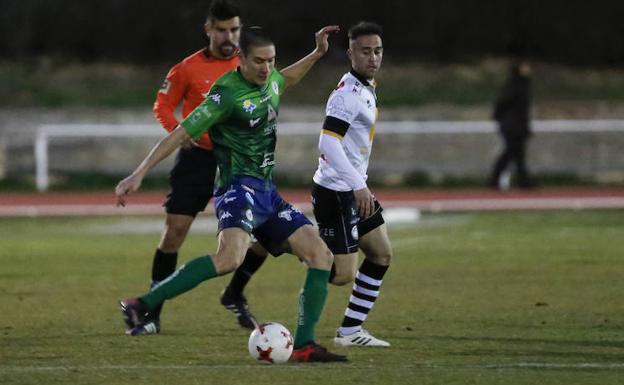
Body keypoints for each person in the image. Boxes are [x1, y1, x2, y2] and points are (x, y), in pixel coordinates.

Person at [116, 25, 348, 362]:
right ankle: (143, 303)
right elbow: (181, 133)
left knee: (321, 257)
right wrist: (138, 174)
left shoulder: (269, 80)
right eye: (259, 61)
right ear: (241, 58)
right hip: (237, 189)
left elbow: (287, 79)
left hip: (267, 191)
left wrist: (316, 54)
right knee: (229, 259)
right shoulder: (225, 95)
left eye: (271, 60)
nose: (266, 68)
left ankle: (304, 345)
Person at [143, 0, 267, 336]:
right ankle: (151, 309)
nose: (229, 36)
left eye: (235, 29)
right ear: (208, 29)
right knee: (175, 230)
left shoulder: (252, 64)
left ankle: (235, 292)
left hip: (240, 161)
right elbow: (163, 104)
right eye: (222, 29)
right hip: (199, 158)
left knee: (266, 233)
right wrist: (176, 130)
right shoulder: (186, 68)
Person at [311, 21, 392, 347]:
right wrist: (359, 185)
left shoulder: (366, 87)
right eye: (365, 51)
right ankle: (294, 244)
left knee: (382, 254)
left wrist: (360, 185)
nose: (372, 57)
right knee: (342, 275)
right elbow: (328, 143)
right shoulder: (347, 95)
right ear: (350, 53)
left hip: (355, 189)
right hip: (337, 192)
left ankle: (349, 331)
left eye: (377, 51)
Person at [488, 58, 535, 189]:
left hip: (515, 126)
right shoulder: (516, 87)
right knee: (511, 153)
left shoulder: (518, 86)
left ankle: (523, 181)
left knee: (518, 155)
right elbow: (505, 106)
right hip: (513, 127)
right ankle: (495, 179)